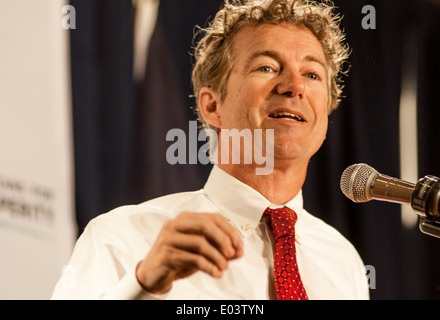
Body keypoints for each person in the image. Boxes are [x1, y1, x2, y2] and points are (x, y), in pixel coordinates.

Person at [51, 0, 369, 300]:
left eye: (312, 75)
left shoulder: (343, 262)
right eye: (267, 68)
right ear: (212, 105)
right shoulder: (124, 237)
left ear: (326, 112)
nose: (294, 86)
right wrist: (143, 284)